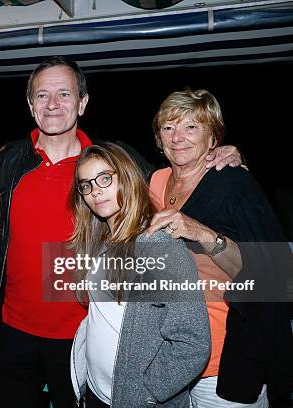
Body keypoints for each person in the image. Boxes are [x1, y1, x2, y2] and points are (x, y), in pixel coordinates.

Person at [0, 56, 243, 407]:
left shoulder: (114, 162)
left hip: (82, 338)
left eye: (64, 94)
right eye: (42, 95)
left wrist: (218, 154)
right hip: (14, 332)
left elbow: (172, 179)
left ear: (83, 102)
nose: (52, 104)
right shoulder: (9, 161)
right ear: (30, 104)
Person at [146, 88, 293, 407]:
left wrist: (201, 232)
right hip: (168, 355)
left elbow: (266, 271)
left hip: (223, 360)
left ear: (213, 138)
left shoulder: (232, 185)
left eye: (191, 127)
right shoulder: (155, 181)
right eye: (168, 127)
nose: (177, 137)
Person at [69, 142, 210, 407]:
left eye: (105, 178)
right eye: (86, 184)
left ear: (127, 178)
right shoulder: (99, 239)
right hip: (97, 392)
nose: (95, 190)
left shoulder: (158, 246)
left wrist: (146, 392)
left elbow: (192, 343)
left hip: (134, 399)